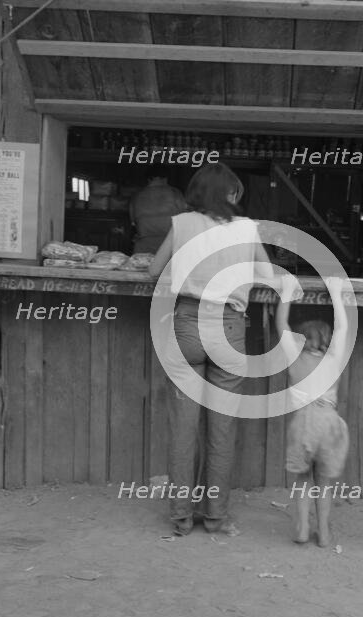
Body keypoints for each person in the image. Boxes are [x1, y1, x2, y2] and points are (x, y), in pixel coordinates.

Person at [149, 163, 274, 537]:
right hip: (230, 329)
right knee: (222, 428)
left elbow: (154, 269)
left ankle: (181, 518)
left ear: (197, 194)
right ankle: (216, 517)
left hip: (186, 323)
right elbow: (267, 277)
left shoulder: (181, 223)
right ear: (232, 194)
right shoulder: (247, 228)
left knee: (183, 428)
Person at [275, 274, 350, 547]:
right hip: (329, 422)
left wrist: (286, 290)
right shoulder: (333, 359)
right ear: (326, 341)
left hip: (302, 423)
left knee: (302, 478)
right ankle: (325, 533)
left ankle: (304, 528)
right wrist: (336, 292)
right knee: (324, 481)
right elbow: (342, 329)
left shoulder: (294, 357)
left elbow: (281, 325)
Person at [130, 165, 187, 254]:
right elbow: (186, 219)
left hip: (144, 249)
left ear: (148, 179)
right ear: (166, 178)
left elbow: (133, 221)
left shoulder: (137, 196)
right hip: (170, 248)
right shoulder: (175, 193)